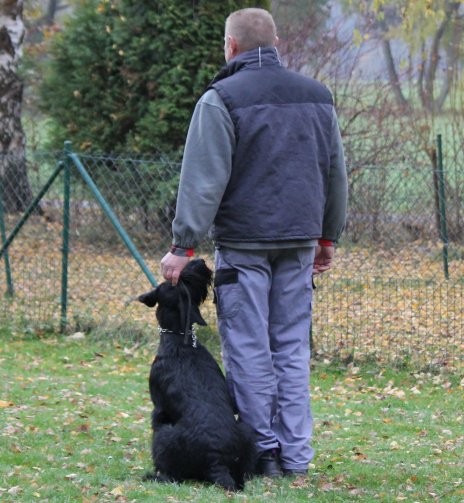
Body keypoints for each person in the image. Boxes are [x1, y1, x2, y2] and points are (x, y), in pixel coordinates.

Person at [159, 7, 348, 478]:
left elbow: (203, 180)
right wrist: (328, 236)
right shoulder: (318, 97)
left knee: (247, 349)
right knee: (291, 349)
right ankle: (298, 459)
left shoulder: (221, 98)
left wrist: (182, 246)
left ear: (231, 46)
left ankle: (263, 451)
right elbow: (335, 174)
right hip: (300, 242)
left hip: (244, 245)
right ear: (277, 43)